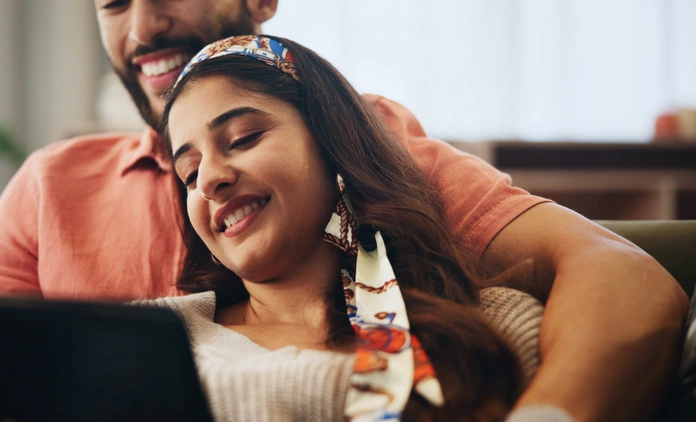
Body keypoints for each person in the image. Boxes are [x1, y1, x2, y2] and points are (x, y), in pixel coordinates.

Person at [0, 1, 687, 420]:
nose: (145, 24)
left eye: (244, 137)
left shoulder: (377, 145)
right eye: (114, 1)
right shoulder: (46, 187)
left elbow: (620, 277)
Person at [137, 34, 546, 421]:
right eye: (189, 174)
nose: (208, 181)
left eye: (244, 138)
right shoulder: (147, 339)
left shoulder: (493, 323)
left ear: (334, 146)